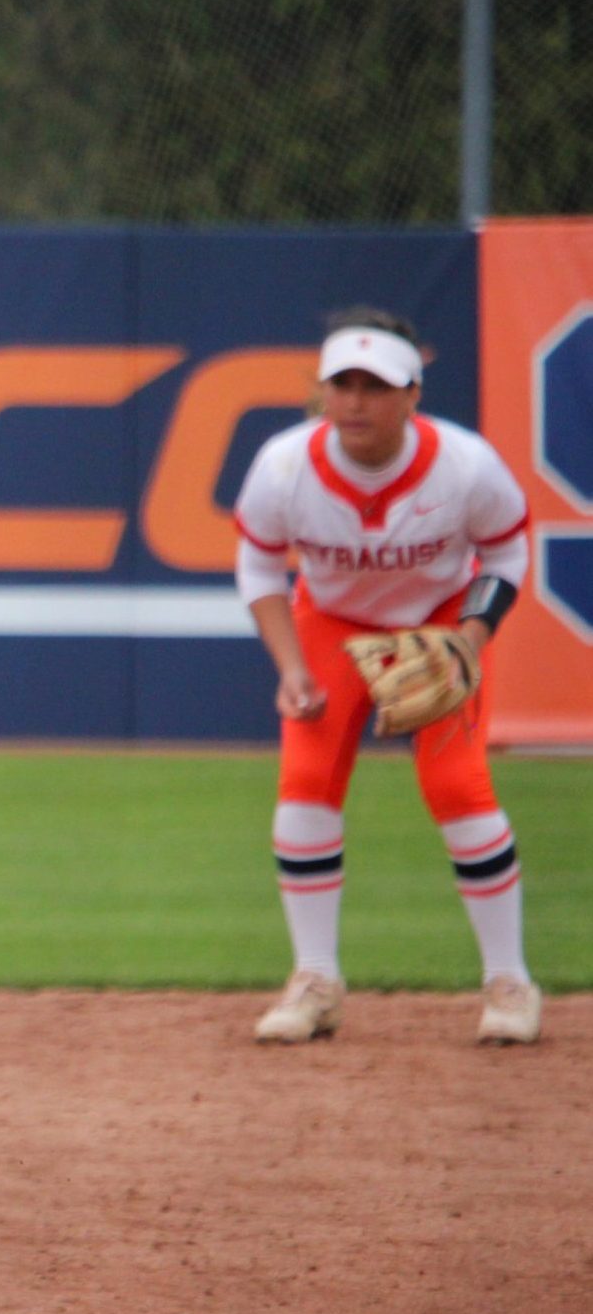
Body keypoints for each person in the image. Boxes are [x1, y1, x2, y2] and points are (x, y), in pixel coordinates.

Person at [234, 308, 538, 1045]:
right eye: (342, 383)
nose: (356, 401)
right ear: (322, 391)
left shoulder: (463, 465)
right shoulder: (282, 466)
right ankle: (314, 980)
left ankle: (509, 981)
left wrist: (468, 641)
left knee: (459, 789)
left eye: (376, 385)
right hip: (330, 625)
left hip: (437, 623)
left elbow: (504, 555)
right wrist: (290, 668)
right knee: (303, 788)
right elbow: (258, 565)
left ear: (412, 395)